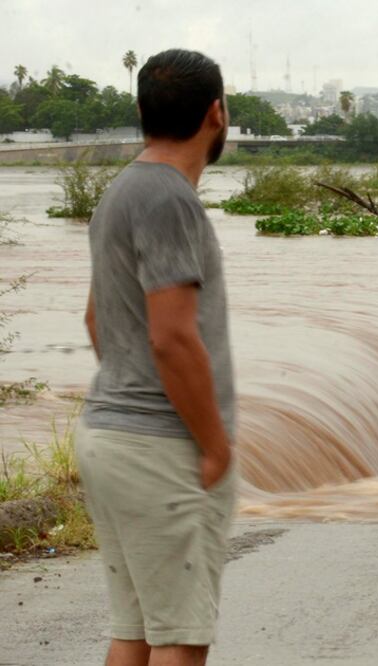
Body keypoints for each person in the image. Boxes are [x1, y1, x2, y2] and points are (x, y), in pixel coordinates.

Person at [76, 49, 236, 666]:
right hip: (161, 448)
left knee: (138, 631)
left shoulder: (121, 191)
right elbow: (172, 338)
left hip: (110, 437)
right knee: (180, 639)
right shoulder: (170, 200)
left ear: (142, 113)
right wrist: (214, 445)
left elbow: (97, 318)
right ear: (216, 114)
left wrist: (126, 390)